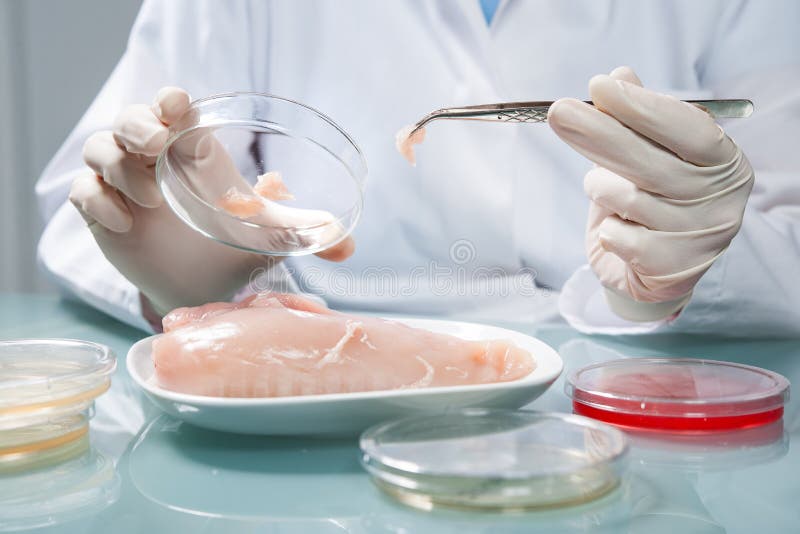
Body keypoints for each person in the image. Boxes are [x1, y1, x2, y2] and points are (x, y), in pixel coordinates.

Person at [36, 0, 800, 336]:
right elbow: (87, 192)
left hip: (646, 410)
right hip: (318, 390)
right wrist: (194, 276)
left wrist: (689, 273)